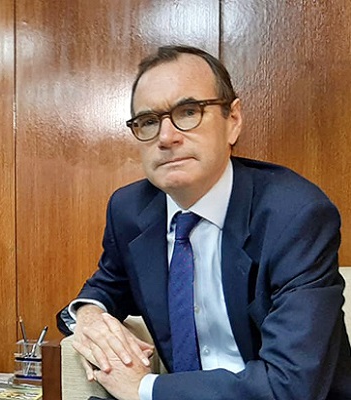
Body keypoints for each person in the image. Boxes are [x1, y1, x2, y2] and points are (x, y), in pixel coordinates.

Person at [56, 45, 351, 400]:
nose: (166, 138)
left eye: (189, 112)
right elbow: (107, 287)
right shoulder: (131, 210)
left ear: (233, 120)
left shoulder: (295, 215)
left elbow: (292, 385)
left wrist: (144, 388)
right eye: (149, 121)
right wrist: (89, 315)